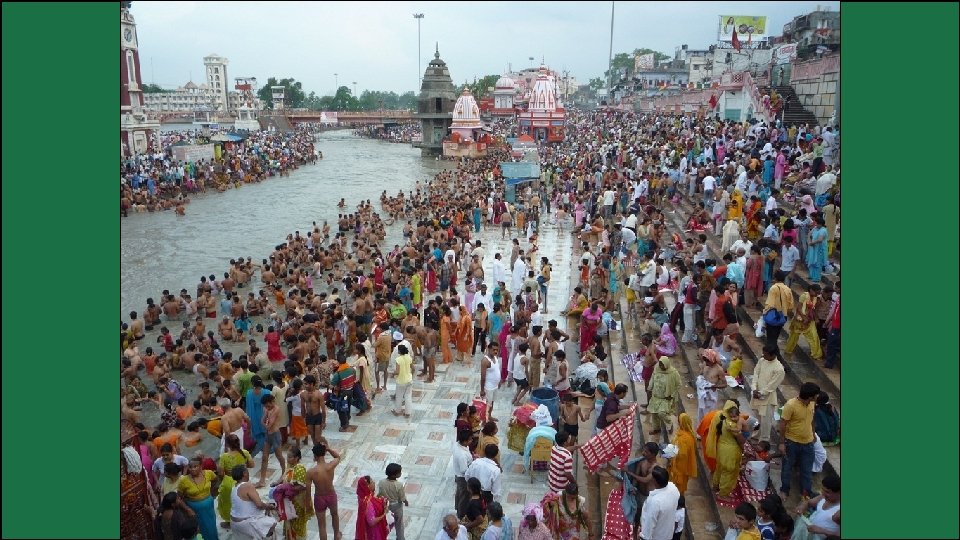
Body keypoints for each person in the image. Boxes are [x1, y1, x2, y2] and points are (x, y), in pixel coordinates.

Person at [778, 382, 820, 499]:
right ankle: (784, 490)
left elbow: (812, 419)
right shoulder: (790, 405)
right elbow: (783, 424)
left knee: (806, 469)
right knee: (787, 467)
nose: (818, 396)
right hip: (792, 443)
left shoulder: (812, 404)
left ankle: (806, 492)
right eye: (816, 394)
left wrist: (813, 433)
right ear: (810, 396)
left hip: (808, 443)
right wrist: (782, 443)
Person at [706, 400, 746, 498]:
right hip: (730, 451)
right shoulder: (731, 424)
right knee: (728, 472)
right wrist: (743, 448)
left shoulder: (721, 419)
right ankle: (723, 494)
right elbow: (741, 441)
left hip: (721, 448)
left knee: (719, 468)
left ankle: (715, 486)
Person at [229, 465, 279, 539]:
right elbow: (259, 505)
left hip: (234, 522)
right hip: (245, 523)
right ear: (244, 473)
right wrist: (268, 506)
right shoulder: (248, 485)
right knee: (273, 523)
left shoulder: (234, 488)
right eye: (247, 471)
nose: (248, 473)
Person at [308, 442, 345, 540]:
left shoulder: (311, 472)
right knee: (335, 515)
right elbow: (338, 457)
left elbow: (307, 491)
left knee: (321, 525)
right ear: (324, 453)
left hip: (319, 498)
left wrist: (308, 503)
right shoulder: (330, 466)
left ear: (315, 456)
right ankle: (337, 535)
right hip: (331, 495)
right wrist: (328, 449)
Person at [215, 434, 254, 528]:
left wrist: (222, 481)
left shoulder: (224, 457)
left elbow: (220, 473)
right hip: (243, 480)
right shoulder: (245, 453)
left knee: (228, 503)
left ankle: (229, 522)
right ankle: (245, 519)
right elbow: (251, 465)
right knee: (244, 500)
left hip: (229, 482)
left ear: (227, 444)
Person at [177, 456, 220, 540]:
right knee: (200, 528)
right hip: (195, 510)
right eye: (190, 467)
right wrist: (187, 509)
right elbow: (179, 498)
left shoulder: (208, 473)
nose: (192, 469)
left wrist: (210, 491)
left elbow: (215, 480)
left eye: (195, 466)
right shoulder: (184, 481)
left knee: (211, 526)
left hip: (209, 507)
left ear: (201, 466)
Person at [275, 447, 313, 540]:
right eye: (287, 457)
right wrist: (277, 483)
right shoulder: (290, 466)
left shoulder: (300, 469)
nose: (288, 459)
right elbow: (284, 476)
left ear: (296, 458)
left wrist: (288, 489)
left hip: (298, 502)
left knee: (297, 522)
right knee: (289, 520)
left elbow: (303, 486)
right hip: (289, 500)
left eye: (290, 457)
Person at [750, 344, 785, 443]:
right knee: (758, 417)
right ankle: (757, 435)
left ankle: (764, 441)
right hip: (756, 393)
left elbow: (772, 385)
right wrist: (754, 388)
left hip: (768, 397)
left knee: (766, 421)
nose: (763, 355)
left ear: (772, 355)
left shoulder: (779, 369)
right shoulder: (762, 360)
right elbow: (756, 373)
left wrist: (761, 393)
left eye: (765, 354)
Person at [794, 473, 840, 540]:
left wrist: (822, 531)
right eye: (822, 489)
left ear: (838, 492)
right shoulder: (823, 497)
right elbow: (808, 503)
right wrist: (802, 507)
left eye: (827, 492)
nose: (823, 493)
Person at [639, 467, 680, 540]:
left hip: (656, 537)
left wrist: (643, 536)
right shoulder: (673, 488)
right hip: (668, 534)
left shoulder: (655, 501)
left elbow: (649, 524)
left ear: (654, 481)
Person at [784, 284, 823, 360]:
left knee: (814, 337)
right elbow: (798, 308)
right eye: (816, 292)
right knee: (793, 337)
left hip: (810, 320)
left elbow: (814, 309)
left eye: (818, 293)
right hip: (799, 320)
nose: (817, 294)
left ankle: (816, 355)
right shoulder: (804, 296)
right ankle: (788, 350)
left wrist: (816, 318)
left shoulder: (816, 298)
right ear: (811, 290)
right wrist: (804, 317)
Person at [647, 356, 681, 443]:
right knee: (654, 414)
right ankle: (656, 429)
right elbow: (652, 379)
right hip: (656, 396)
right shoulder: (656, 369)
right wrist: (649, 388)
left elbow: (679, 385)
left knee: (661, 413)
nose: (661, 366)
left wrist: (672, 395)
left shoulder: (673, 372)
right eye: (660, 364)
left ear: (667, 364)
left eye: (662, 365)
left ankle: (669, 424)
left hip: (666, 398)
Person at [761, 271, 793, 351]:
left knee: (770, 337)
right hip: (783, 316)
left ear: (775, 278)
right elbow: (791, 306)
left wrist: (764, 313)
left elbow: (770, 304)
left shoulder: (773, 288)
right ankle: (774, 352)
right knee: (775, 335)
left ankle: (772, 353)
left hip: (773, 315)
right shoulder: (788, 289)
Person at [668, 413, 698, 496]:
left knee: (678, 485)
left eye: (679, 421)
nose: (678, 423)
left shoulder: (684, 438)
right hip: (683, 465)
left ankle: (679, 499)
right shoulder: (689, 435)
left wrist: (670, 454)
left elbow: (681, 454)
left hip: (680, 466)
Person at [378, 463, 409, 540]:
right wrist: (406, 502)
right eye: (399, 472)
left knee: (386, 523)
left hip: (386, 506)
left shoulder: (381, 482)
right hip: (397, 507)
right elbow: (402, 498)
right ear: (394, 475)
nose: (401, 473)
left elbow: (379, 494)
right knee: (399, 524)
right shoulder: (399, 485)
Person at [357, 475, 390, 540]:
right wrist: (383, 514)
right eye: (372, 482)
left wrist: (382, 502)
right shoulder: (368, 502)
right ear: (368, 486)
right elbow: (371, 522)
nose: (374, 483)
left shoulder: (362, 497)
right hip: (374, 533)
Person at [453, 430, 475, 518]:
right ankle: (461, 515)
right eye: (470, 439)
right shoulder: (462, 455)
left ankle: (458, 509)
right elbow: (464, 470)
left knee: (459, 493)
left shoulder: (457, 445)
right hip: (463, 478)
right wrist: (473, 465)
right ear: (465, 441)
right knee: (464, 497)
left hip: (458, 474)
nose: (471, 441)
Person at [392, 344, 414, 417]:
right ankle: (408, 413)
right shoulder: (409, 357)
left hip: (401, 381)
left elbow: (397, 372)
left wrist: (393, 373)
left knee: (399, 397)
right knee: (408, 396)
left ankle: (397, 411)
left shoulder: (398, 359)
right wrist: (410, 375)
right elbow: (413, 368)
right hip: (409, 380)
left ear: (399, 351)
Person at [480, 342, 502, 416]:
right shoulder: (485, 361)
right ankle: (485, 419)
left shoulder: (495, 357)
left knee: (492, 402)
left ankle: (489, 416)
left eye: (497, 350)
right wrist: (482, 390)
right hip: (489, 387)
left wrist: (499, 381)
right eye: (493, 349)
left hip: (495, 386)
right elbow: (482, 377)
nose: (495, 351)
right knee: (487, 404)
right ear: (489, 349)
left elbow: (497, 369)